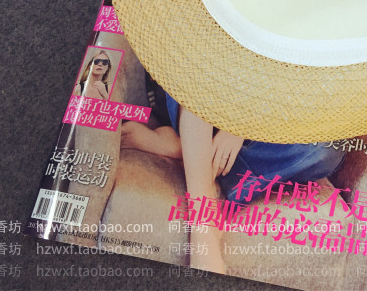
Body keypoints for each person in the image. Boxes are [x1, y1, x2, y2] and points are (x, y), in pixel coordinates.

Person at [121, 93, 345, 274]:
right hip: (194, 95)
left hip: (255, 117)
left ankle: (189, 152)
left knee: (329, 147)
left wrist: (240, 127)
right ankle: (203, 219)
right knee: (197, 81)